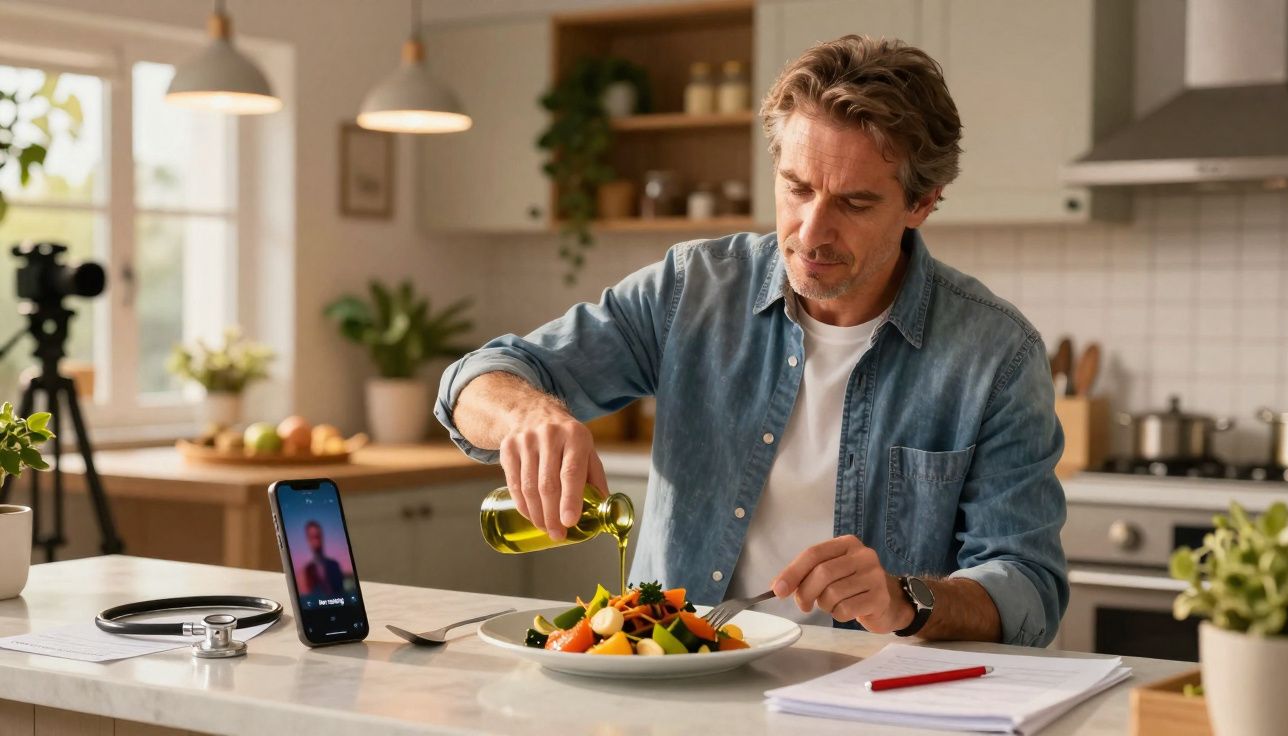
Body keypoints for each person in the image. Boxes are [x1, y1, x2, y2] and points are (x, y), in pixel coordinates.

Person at [437, 35, 1067, 646]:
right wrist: (528, 413)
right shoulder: (693, 289)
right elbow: (477, 378)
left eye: (853, 202)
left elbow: (1028, 589)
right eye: (796, 188)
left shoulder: (996, 356)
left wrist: (907, 601)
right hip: (678, 683)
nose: (812, 232)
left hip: (875, 700)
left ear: (922, 203)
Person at [301, 520, 345, 599]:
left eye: (317, 536)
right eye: (312, 537)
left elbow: (341, 593)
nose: (316, 541)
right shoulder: (307, 570)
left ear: (322, 537)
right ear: (308, 540)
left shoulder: (334, 565)